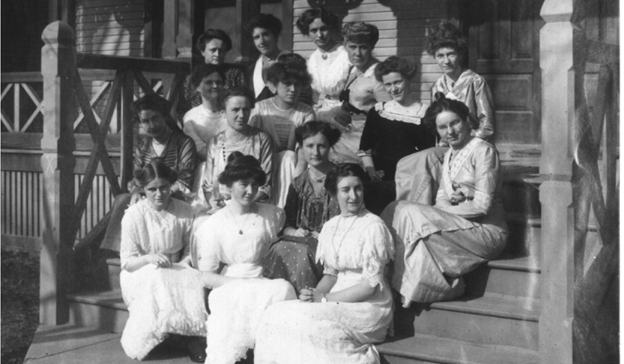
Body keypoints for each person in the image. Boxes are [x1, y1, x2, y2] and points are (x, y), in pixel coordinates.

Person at [255, 163, 395, 364]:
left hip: (367, 306)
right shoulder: (330, 226)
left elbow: (370, 286)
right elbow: (331, 274)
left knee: (307, 324)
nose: (353, 196)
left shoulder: (373, 226)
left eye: (358, 188)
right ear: (333, 194)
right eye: (346, 190)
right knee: (274, 313)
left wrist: (324, 299)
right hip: (334, 298)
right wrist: (313, 295)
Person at [381, 94, 507, 305]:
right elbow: (441, 201)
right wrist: (440, 210)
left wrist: (438, 213)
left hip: (486, 232)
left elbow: (482, 206)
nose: (450, 132)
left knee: (409, 213)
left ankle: (412, 287)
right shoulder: (449, 155)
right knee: (400, 213)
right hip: (460, 225)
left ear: (467, 121)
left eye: (455, 123)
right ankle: (398, 286)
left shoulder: (483, 151)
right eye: (442, 127)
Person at [119, 160, 240, 362]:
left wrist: (184, 262)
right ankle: (149, 337)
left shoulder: (184, 210)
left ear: (171, 185)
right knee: (158, 277)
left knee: (190, 276)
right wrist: (150, 258)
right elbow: (127, 263)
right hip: (139, 271)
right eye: (152, 189)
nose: (159, 194)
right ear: (143, 189)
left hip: (175, 266)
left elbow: (189, 248)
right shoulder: (133, 215)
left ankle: (192, 337)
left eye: (164, 187)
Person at [195, 155, 296, 364]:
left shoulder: (272, 215)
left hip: (264, 279)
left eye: (255, 185)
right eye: (244, 184)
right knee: (232, 300)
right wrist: (237, 284)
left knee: (283, 290)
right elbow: (206, 276)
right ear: (229, 186)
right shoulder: (213, 224)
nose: (250, 191)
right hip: (229, 282)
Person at [395, 20, 495, 204]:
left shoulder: (475, 82)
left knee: (425, 161)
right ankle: (411, 208)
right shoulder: (437, 86)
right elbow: (436, 126)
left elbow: (487, 126)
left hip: (472, 148)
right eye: (440, 55)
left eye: (451, 54)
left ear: (460, 54)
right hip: (445, 148)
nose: (446, 61)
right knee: (410, 163)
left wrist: (465, 146)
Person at [100, 94, 197, 252]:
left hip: (174, 194)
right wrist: (138, 190)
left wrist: (159, 194)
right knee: (123, 199)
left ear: (165, 117)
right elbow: (138, 178)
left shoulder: (183, 142)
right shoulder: (144, 145)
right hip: (149, 193)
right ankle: (116, 251)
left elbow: (185, 179)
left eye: (155, 118)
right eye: (145, 121)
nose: (151, 125)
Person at [262, 121, 342, 294]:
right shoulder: (299, 183)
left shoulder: (341, 179)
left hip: (332, 245)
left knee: (301, 252)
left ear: (330, 147)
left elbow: (350, 218)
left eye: (321, 146)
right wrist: (294, 232)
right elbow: (287, 223)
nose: (315, 152)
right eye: (309, 146)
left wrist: (323, 234)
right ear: (301, 148)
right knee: (278, 249)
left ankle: (306, 301)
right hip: (302, 241)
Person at [358, 56, 437, 213]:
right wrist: (371, 171)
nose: (393, 89)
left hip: (410, 181)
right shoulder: (378, 111)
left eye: (397, 82)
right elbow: (364, 148)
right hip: (380, 179)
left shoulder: (425, 114)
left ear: (408, 80)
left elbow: (428, 154)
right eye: (388, 84)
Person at [249, 56, 315, 206]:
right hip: (263, 167)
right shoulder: (259, 109)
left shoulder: (306, 112)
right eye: (287, 84)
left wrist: (296, 180)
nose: (293, 89)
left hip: (295, 166)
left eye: (297, 84)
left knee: (289, 157)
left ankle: (287, 208)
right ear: (274, 84)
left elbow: (304, 150)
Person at [203, 87, 274, 210]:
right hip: (222, 207)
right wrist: (212, 201)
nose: (241, 115)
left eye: (246, 110)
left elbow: (265, 185)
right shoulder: (215, 142)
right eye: (235, 110)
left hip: (253, 204)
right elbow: (208, 186)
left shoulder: (262, 139)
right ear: (223, 112)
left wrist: (237, 205)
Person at [331, 21, 392, 165]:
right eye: (352, 47)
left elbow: (390, 115)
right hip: (351, 130)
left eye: (363, 47)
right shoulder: (354, 70)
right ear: (345, 46)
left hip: (370, 138)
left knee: (325, 152)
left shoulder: (377, 75)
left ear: (371, 47)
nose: (357, 53)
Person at [182, 64, 228, 208]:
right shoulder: (191, 117)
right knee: (205, 167)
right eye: (209, 82)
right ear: (197, 87)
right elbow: (199, 150)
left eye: (219, 82)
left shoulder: (232, 112)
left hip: (233, 162)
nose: (215, 86)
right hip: (207, 165)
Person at [178, 29, 246, 118]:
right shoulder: (191, 79)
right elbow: (183, 109)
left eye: (221, 50)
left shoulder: (235, 75)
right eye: (213, 50)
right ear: (203, 52)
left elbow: (243, 103)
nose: (217, 54)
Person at [296, 7, 351, 116]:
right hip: (324, 111)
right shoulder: (312, 59)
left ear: (330, 28)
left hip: (348, 111)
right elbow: (311, 96)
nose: (319, 35)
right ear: (307, 32)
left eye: (323, 29)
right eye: (314, 30)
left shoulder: (346, 54)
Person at [245, 14, 291, 102]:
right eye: (256, 37)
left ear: (275, 35)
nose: (262, 41)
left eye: (266, 34)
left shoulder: (292, 62)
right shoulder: (252, 70)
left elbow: (304, 97)